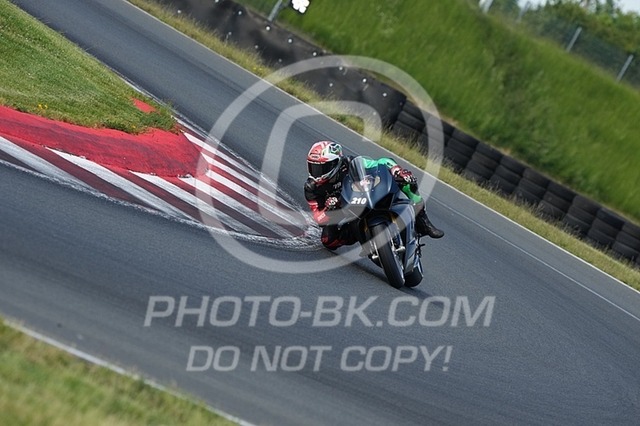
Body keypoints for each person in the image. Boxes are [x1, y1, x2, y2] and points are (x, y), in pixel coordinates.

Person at [304, 140, 444, 249]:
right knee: (328, 241)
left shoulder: (350, 163)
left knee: (407, 182)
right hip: (342, 213)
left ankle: (423, 221)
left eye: (322, 167)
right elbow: (318, 217)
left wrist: (397, 171)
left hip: (363, 197)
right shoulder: (311, 188)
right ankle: (360, 236)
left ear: (335, 163)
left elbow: (382, 162)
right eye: (313, 166)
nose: (316, 172)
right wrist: (329, 209)